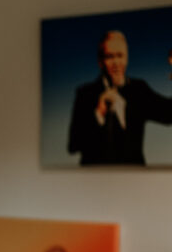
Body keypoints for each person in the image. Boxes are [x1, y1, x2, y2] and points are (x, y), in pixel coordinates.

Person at [67, 30, 172, 165]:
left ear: (126, 58)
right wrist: (99, 114)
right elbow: (73, 146)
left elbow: (168, 114)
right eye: (110, 57)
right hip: (93, 180)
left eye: (120, 56)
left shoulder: (139, 89)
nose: (116, 62)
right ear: (100, 61)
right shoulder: (85, 94)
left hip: (135, 181)